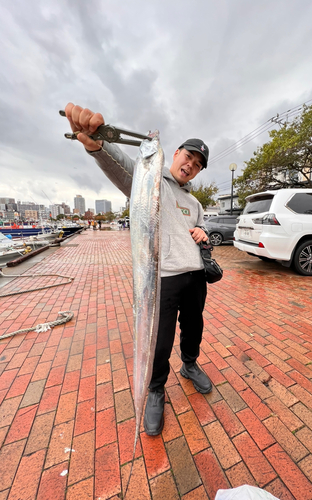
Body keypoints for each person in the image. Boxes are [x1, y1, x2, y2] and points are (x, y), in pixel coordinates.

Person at [64, 103, 213, 436]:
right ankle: (156, 389)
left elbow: (204, 235)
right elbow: (123, 168)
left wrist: (205, 235)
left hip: (195, 278)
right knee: (159, 340)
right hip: (164, 279)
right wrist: (99, 146)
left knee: (193, 327)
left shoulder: (195, 203)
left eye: (198, 165)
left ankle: (189, 364)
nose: (191, 165)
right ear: (175, 153)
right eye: (188, 157)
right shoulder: (148, 177)